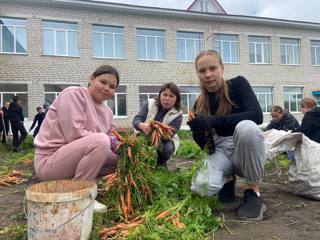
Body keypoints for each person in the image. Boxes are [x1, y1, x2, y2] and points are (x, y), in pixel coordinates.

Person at [187, 50, 266, 221]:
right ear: (198, 74)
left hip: (244, 148)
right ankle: (227, 179)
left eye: (213, 68)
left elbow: (256, 115)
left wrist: (213, 121)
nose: (208, 74)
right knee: (201, 188)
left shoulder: (238, 84)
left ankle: (253, 192)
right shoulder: (199, 104)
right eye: (202, 71)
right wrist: (197, 131)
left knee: (247, 128)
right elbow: (208, 148)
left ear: (222, 68)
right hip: (221, 149)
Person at [34, 65, 120, 181]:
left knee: (123, 158)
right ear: (92, 79)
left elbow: (110, 139)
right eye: (103, 82)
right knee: (101, 141)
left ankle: (78, 183)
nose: (106, 88)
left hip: (76, 160)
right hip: (50, 161)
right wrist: (110, 141)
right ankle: (78, 191)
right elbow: (74, 135)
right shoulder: (73, 94)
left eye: (112, 86)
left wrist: (123, 147)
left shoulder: (108, 112)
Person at [132, 82, 183, 167]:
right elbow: (137, 119)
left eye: (171, 96)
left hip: (164, 140)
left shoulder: (178, 114)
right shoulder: (150, 103)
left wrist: (155, 129)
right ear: (160, 95)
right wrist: (141, 125)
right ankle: (141, 163)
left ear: (176, 99)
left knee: (166, 149)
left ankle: (161, 163)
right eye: (165, 95)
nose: (167, 99)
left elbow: (168, 135)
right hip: (143, 134)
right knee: (135, 146)